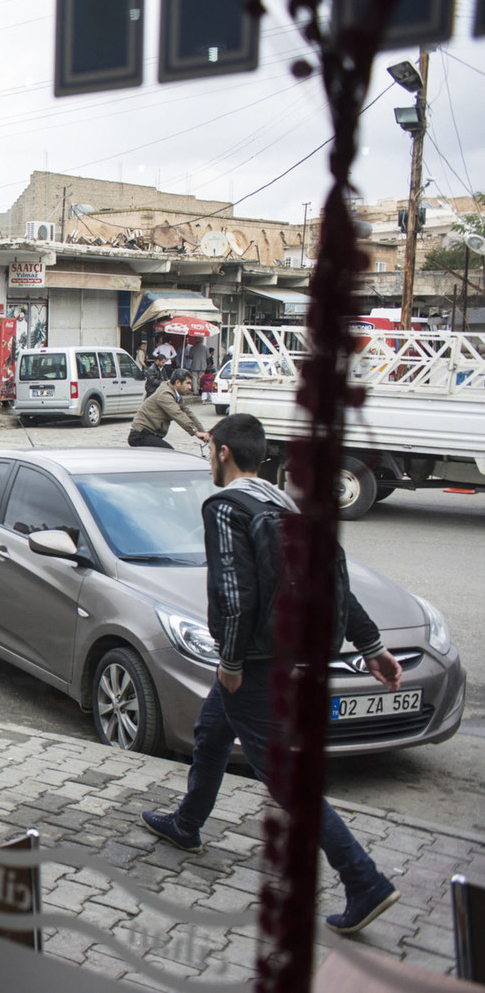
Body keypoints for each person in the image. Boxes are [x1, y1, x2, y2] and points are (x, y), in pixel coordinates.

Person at [141, 413, 403, 936]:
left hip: (253, 661)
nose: (207, 457)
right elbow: (334, 582)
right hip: (286, 652)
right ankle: (187, 823)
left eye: (209, 448)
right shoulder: (284, 504)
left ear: (222, 454)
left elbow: (233, 596)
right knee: (212, 732)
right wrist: (370, 645)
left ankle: (363, 879)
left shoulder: (224, 507)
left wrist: (232, 663)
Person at [129, 368, 209, 449]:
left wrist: (204, 433)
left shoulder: (174, 394)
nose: (189, 387)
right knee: (169, 452)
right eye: (187, 383)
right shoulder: (165, 394)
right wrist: (195, 432)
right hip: (140, 435)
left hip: (151, 435)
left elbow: (188, 413)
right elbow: (177, 414)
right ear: (178, 382)